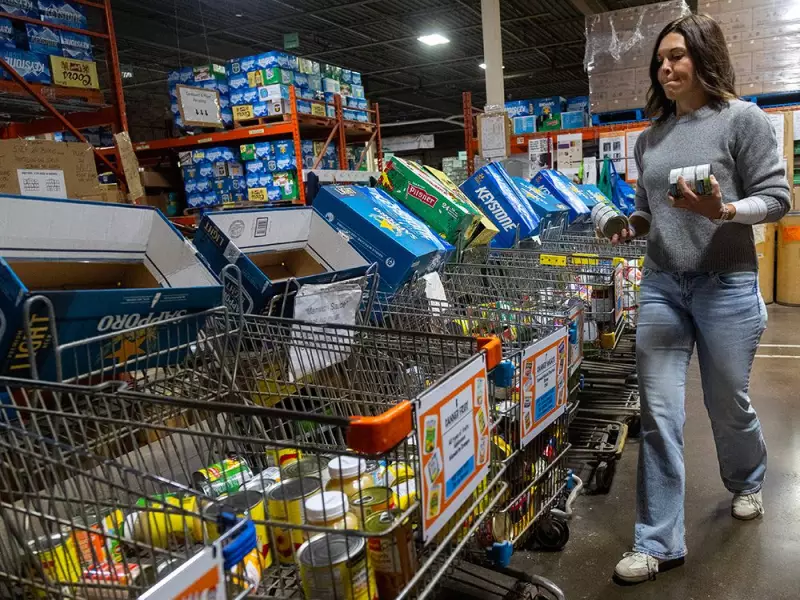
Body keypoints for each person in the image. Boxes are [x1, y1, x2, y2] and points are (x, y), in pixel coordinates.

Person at [611, 14, 791, 584]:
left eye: (677, 56)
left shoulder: (743, 120)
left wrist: (727, 211)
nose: (666, 67)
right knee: (659, 414)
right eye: (660, 59)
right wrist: (628, 224)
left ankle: (748, 482)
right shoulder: (648, 139)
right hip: (663, 285)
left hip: (727, 285)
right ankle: (658, 541)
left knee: (725, 404)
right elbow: (651, 212)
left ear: (704, 58)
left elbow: (779, 197)